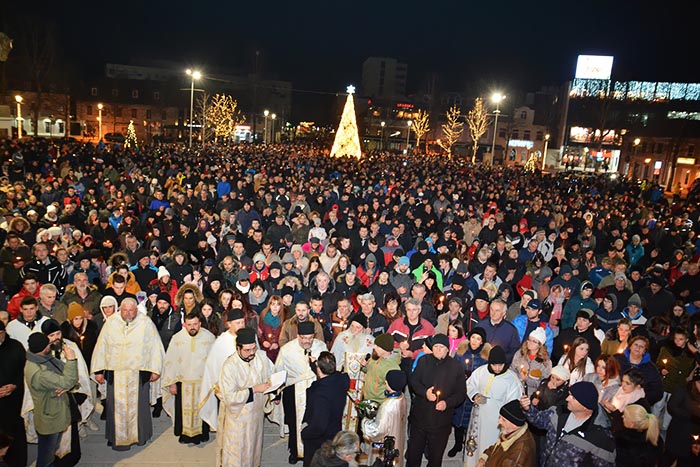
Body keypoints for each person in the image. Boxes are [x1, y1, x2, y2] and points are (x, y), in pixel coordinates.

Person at [90, 297, 165, 451]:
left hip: (138, 373)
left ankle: (140, 436)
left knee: (139, 407)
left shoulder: (145, 323)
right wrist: (98, 371)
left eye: (131, 310)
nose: (128, 313)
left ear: (136, 309)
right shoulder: (111, 323)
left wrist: (155, 369)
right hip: (115, 374)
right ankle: (116, 438)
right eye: (125, 310)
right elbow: (101, 347)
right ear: (120, 309)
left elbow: (155, 347)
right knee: (114, 408)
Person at [521, 381, 616, 467]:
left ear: (584, 406)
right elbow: (540, 420)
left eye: (573, 398)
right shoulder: (560, 411)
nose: (567, 398)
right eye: (569, 394)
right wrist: (528, 409)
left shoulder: (601, 437)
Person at [216, 327, 274, 467]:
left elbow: (270, 376)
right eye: (247, 350)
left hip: (256, 417)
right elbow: (229, 396)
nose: (252, 353)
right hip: (238, 419)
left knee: (253, 450)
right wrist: (254, 390)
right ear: (237, 348)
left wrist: (273, 389)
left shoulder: (260, 357)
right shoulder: (230, 366)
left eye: (253, 348)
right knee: (237, 453)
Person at [407, 333, 467, 467]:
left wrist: (447, 403)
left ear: (447, 349)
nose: (438, 349)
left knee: (435, 459)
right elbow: (414, 381)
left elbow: (461, 393)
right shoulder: (423, 361)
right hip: (420, 419)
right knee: (413, 456)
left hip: (441, 422)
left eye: (442, 347)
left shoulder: (456, 367)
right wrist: (425, 393)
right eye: (436, 346)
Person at [274, 321, 327, 464]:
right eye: (303, 338)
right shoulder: (287, 349)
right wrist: (276, 393)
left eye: (310, 338)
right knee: (293, 422)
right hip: (293, 390)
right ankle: (294, 451)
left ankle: (314, 452)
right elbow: (279, 371)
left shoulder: (321, 347)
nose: (307, 341)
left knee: (314, 422)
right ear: (298, 336)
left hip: (316, 390)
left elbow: (328, 368)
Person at [161, 311, 215, 445]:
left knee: (202, 408)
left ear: (200, 324)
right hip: (182, 382)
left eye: (195, 324)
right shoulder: (177, 339)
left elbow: (214, 361)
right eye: (189, 324)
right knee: (182, 410)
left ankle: (202, 434)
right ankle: (184, 435)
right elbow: (170, 361)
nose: (192, 327)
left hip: (202, 382)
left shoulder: (209, 338)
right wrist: (172, 383)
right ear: (184, 324)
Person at [25, 333, 78, 467]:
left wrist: (62, 384)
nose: (51, 345)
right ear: (43, 348)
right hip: (50, 418)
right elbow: (68, 381)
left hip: (51, 411)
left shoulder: (37, 357)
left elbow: (63, 382)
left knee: (50, 452)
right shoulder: (40, 373)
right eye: (49, 344)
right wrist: (71, 360)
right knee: (46, 457)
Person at [465, 345, 523, 467]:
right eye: (494, 365)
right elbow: (470, 384)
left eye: (500, 365)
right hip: (478, 417)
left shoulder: (511, 379)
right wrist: (475, 395)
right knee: (475, 444)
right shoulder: (481, 371)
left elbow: (514, 402)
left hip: (496, 421)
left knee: (489, 446)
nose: (497, 368)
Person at [198, 308, 247, 431]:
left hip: (246, 389)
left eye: (242, 322)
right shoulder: (222, 341)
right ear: (229, 324)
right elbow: (213, 366)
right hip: (229, 391)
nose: (241, 325)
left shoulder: (249, 337)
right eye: (237, 323)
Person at [301, 352, 350, 467]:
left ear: (319, 370)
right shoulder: (341, 380)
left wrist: (305, 433)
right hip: (334, 433)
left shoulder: (320, 394)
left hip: (319, 441)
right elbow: (329, 375)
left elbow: (319, 425)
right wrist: (315, 365)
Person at [362, 369, 407, 467]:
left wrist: (365, 421)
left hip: (385, 444)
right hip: (396, 438)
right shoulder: (402, 397)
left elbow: (378, 431)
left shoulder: (387, 406)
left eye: (386, 381)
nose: (385, 382)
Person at [476, 399, 536, 467]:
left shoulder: (518, 453)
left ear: (514, 424)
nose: (499, 422)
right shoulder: (511, 433)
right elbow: (496, 449)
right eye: (500, 417)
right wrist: (483, 460)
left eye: (503, 420)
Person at [0, 320, 27, 467]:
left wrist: (14, 385)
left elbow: (23, 369)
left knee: (15, 434)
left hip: (13, 400)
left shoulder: (15, 347)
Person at [662, 367, 700, 467]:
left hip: (693, 440)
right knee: (667, 459)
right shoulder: (683, 391)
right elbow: (671, 407)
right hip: (677, 433)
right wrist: (690, 415)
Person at [360, 333, 401, 405]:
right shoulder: (375, 358)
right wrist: (364, 366)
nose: (374, 347)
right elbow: (370, 371)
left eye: (377, 346)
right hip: (368, 399)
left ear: (385, 349)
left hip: (380, 403)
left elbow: (393, 391)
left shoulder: (393, 368)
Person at [510, 327, 552, 396]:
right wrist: (518, 377)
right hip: (515, 390)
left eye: (534, 341)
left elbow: (543, 383)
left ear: (540, 345)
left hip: (531, 394)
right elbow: (512, 369)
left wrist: (527, 379)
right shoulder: (520, 354)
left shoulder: (545, 362)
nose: (530, 343)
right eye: (529, 340)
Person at [477, 299, 520, 365]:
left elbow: (515, 351)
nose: (493, 313)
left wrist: (501, 359)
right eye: (492, 309)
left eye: (497, 310)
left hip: (500, 366)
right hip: (480, 364)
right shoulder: (481, 325)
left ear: (504, 313)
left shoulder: (511, 330)